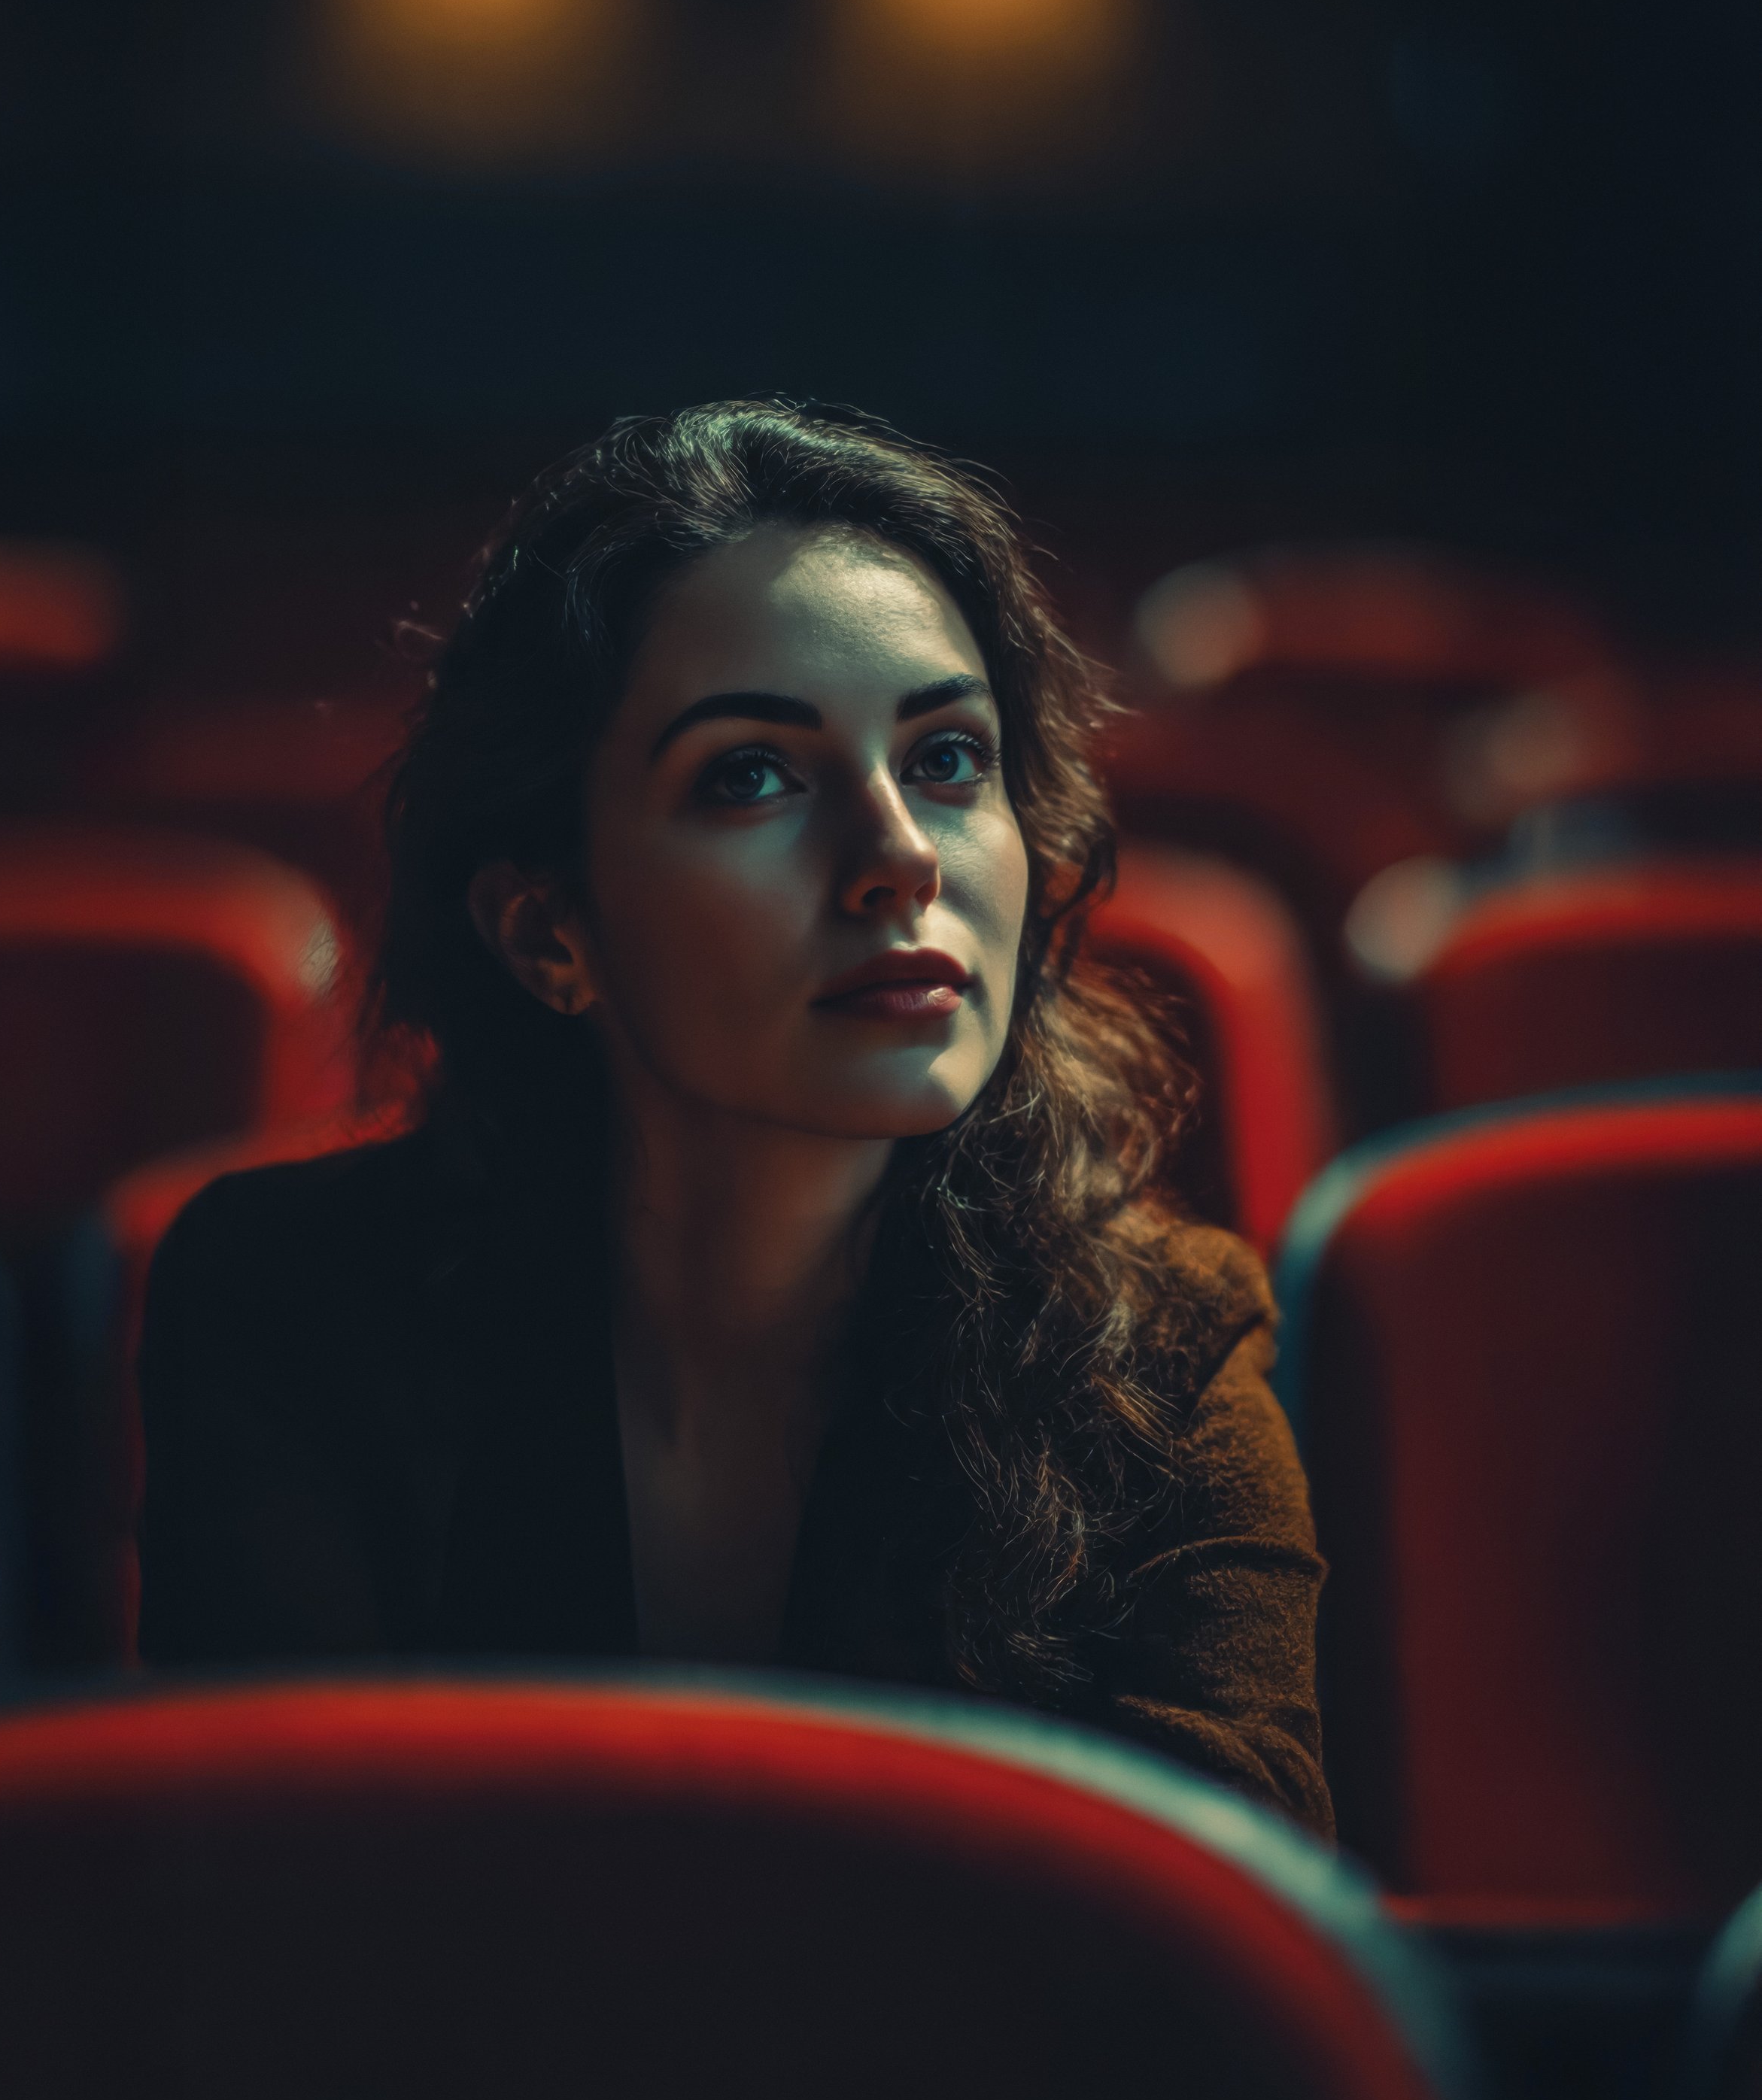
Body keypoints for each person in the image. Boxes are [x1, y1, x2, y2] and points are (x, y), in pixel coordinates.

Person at [136, 399, 1332, 1835]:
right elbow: (278, 1915)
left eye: (949, 759)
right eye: (751, 775)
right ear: (547, 930)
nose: (898, 857)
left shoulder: (1164, 1350)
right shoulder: (288, 1303)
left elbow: (1219, 1955)